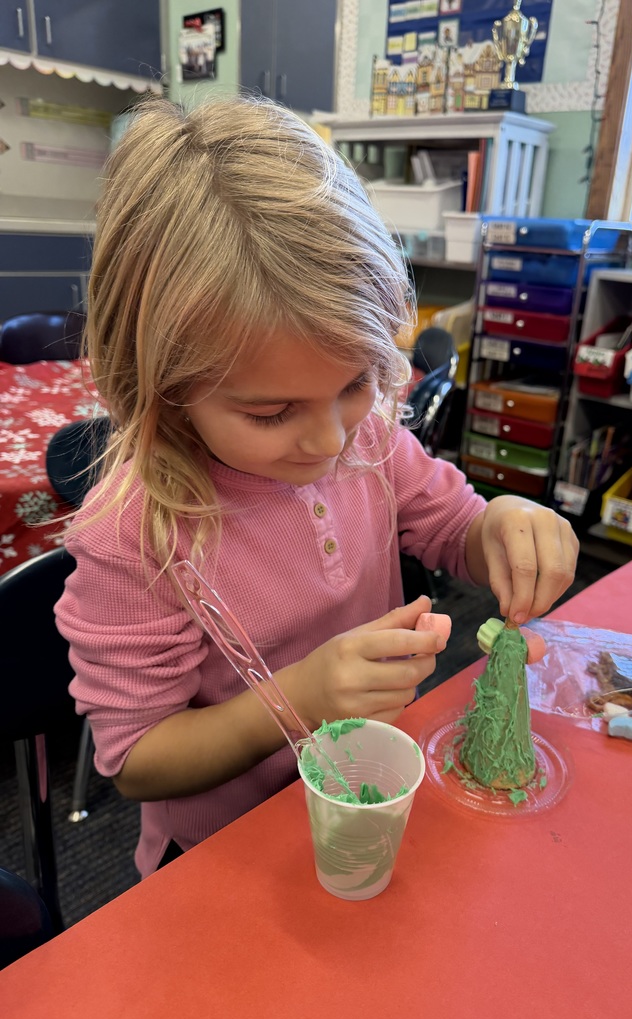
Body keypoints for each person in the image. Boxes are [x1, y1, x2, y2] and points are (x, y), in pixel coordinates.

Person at [55, 95, 578, 878]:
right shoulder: (138, 532)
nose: (332, 440)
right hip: (225, 858)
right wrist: (302, 695)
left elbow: (450, 527)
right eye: (271, 413)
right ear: (161, 384)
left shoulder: (368, 437)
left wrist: (500, 523)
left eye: (359, 381)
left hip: (371, 801)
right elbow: (136, 760)